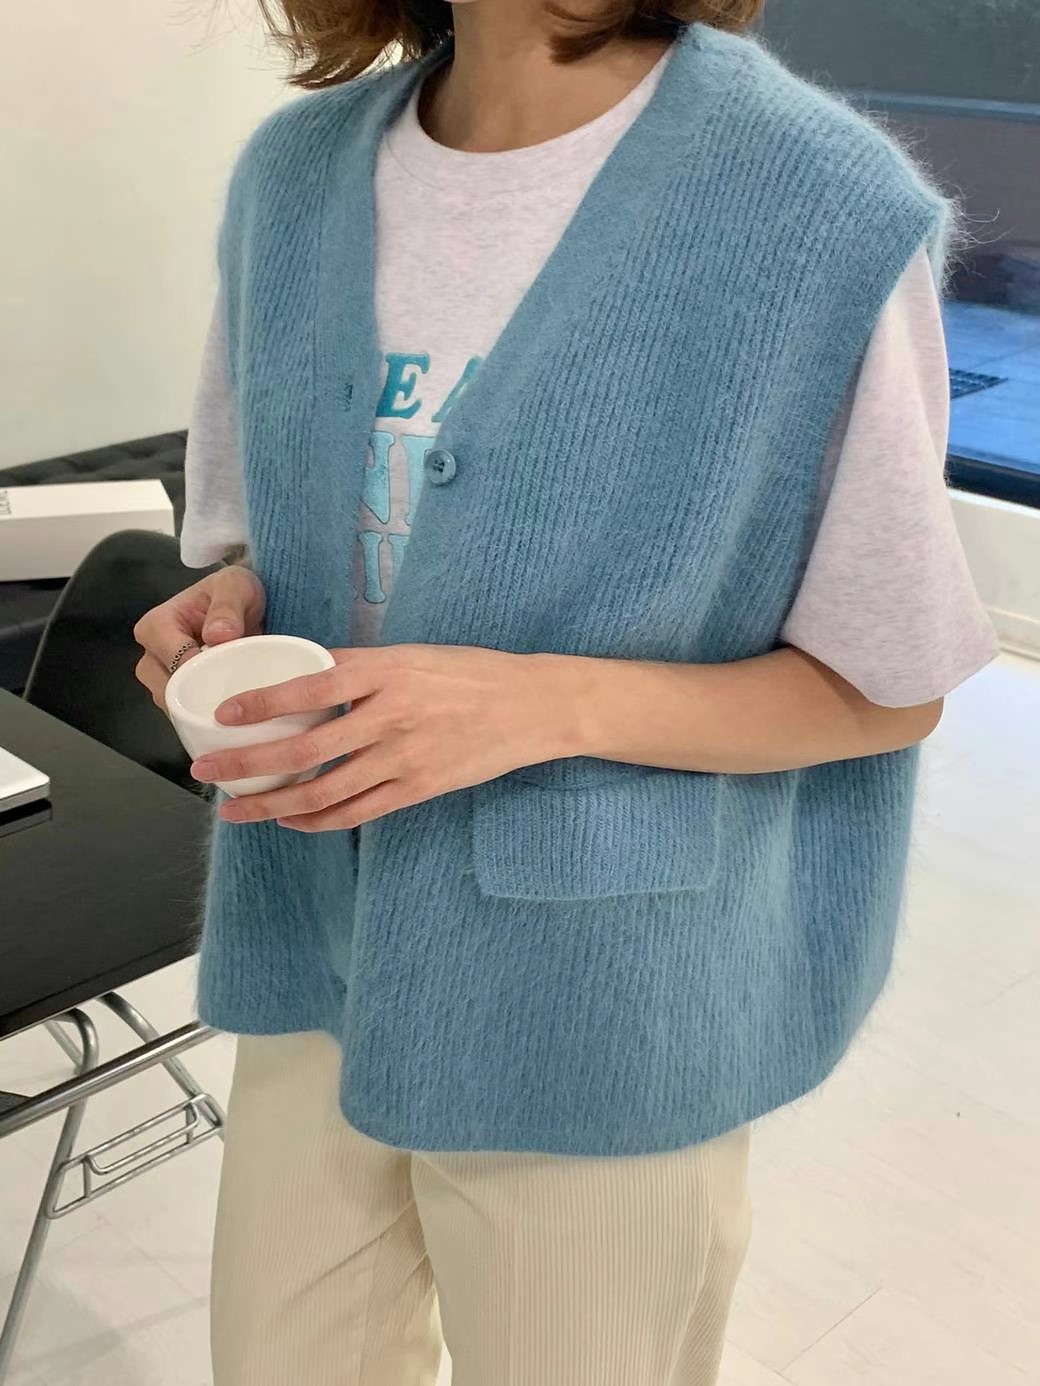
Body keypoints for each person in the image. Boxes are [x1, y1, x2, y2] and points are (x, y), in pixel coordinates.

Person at [133, 2, 1001, 1382]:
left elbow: (884, 692)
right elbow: (300, 544)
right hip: (322, 952)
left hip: (602, 1011)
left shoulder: (819, 208)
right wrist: (235, 602)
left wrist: (544, 705)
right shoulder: (294, 181)